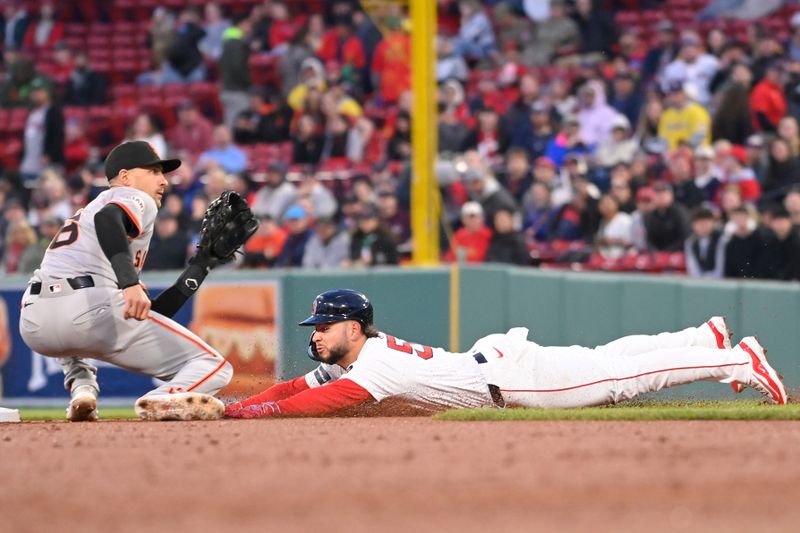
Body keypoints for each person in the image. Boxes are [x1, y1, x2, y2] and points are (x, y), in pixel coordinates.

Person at [223, 289, 787, 419]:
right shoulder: (355, 356)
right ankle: (701, 339)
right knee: (605, 359)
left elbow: (318, 403)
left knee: (622, 379)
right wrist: (237, 408)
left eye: (324, 326)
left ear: (351, 326)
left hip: (512, 382)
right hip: (495, 362)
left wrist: (255, 414)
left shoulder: (372, 365)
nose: (316, 335)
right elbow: (296, 389)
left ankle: (734, 360)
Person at [18, 141, 235, 422]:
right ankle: (161, 399)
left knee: (75, 335)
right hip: (88, 311)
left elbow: (148, 314)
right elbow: (109, 219)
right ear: (125, 177)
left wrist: (201, 265)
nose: (163, 181)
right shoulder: (133, 197)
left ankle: (82, 386)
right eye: (154, 172)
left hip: (35, 321)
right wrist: (129, 283)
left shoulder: (84, 216)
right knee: (214, 366)